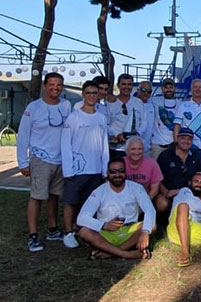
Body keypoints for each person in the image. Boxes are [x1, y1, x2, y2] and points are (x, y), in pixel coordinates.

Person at [17, 72, 71, 252]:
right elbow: (23, 136)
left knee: (54, 195)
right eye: (52, 84)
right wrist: (23, 163)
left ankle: (53, 229)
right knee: (37, 196)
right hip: (40, 159)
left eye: (59, 85)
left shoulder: (66, 105)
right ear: (45, 86)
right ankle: (33, 235)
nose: (55, 88)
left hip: (61, 159)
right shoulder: (33, 108)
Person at [60, 80, 110, 248]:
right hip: (76, 169)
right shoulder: (73, 118)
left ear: (98, 96)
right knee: (71, 201)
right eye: (88, 93)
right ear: (83, 95)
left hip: (95, 169)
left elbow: (104, 145)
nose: (91, 96)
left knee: (90, 204)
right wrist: (68, 169)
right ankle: (68, 232)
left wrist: (105, 169)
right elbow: (65, 144)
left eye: (94, 93)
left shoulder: (101, 118)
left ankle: (86, 232)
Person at [77, 157, 155, 260]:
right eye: (113, 172)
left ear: (125, 172)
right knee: (84, 232)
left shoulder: (136, 188)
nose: (117, 175)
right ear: (107, 173)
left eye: (121, 171)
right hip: (106, 234)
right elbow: (81, 218)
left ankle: (111, 253)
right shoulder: (99, 191)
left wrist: (145, 232)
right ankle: (126, 254)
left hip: (129, 231)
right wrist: (104, 225)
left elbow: (150, 210)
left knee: (151, 226)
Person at [156, 128, 201, 213]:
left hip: (190, 192)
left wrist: (194, 191)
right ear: (177, 138)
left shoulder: (196, 155)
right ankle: (165, 220)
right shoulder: (165, 155)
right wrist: (166, 192)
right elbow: (157, 179)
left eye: (189, 139)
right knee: (161, 202)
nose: (186, 141)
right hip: (170, 192)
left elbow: (200, 176)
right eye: (183, 138)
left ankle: (199, 217)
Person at [173, 78, 201, 155]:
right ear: (191, 89)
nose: (197, 89)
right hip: (187, 146)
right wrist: (177, 143)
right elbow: (177, 126)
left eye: (200, 87)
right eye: (195, 87)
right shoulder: (183, 106)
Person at [106, 73, 144, 150]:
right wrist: (117, 135)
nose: (126, 87)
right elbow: (106, 124)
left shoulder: (138, 102)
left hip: (133, 148)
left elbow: (144, 121)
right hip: (116, 147)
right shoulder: (110, 103)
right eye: (123, 84)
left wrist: (137, 134)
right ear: (118, 85)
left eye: (129, 84)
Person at [124, 136, 163, 201]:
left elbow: (155, 189)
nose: (136, 152)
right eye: (133, 149)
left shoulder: (152, 163)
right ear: (127, 151)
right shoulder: (120, 163)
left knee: (162, 202)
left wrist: (144, 203)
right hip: (124, 198)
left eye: (140, 149)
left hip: (146, 197)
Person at [151, 77, 181, 159]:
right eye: (166, 87)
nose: (168, 90)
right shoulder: (154, 100)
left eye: (171, 87)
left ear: (175, 88)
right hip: (157, 146)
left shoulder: (181, 104)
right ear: (162, 89)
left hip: (174, 146)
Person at [135, 81, 156, 151]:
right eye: (143, 90)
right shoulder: (131, 103)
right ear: (138, 90)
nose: (146, 93)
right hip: (134, 148)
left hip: (147, 148)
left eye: (149, 91)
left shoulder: (152, 105)